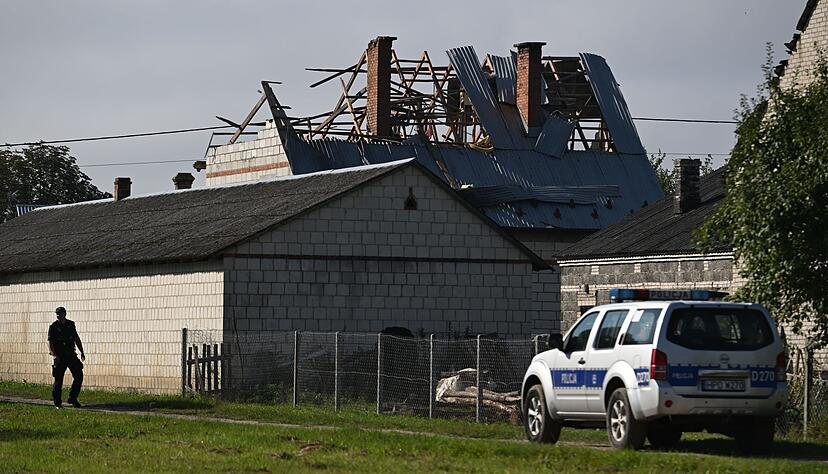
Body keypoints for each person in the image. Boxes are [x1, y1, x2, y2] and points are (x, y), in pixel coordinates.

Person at [48, 306, 85, 408]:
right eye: (57, 314)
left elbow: (76, 338)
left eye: (60, 313)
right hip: (60, 356)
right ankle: (57, 403)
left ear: (65, 314)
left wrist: (82, 351)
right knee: (58, 380)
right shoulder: (53, 327)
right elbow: (50, 342)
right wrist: (54, 355)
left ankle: (73, 398)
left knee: (79, 375)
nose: (58, 315)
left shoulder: (70, 324)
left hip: (71, 354)